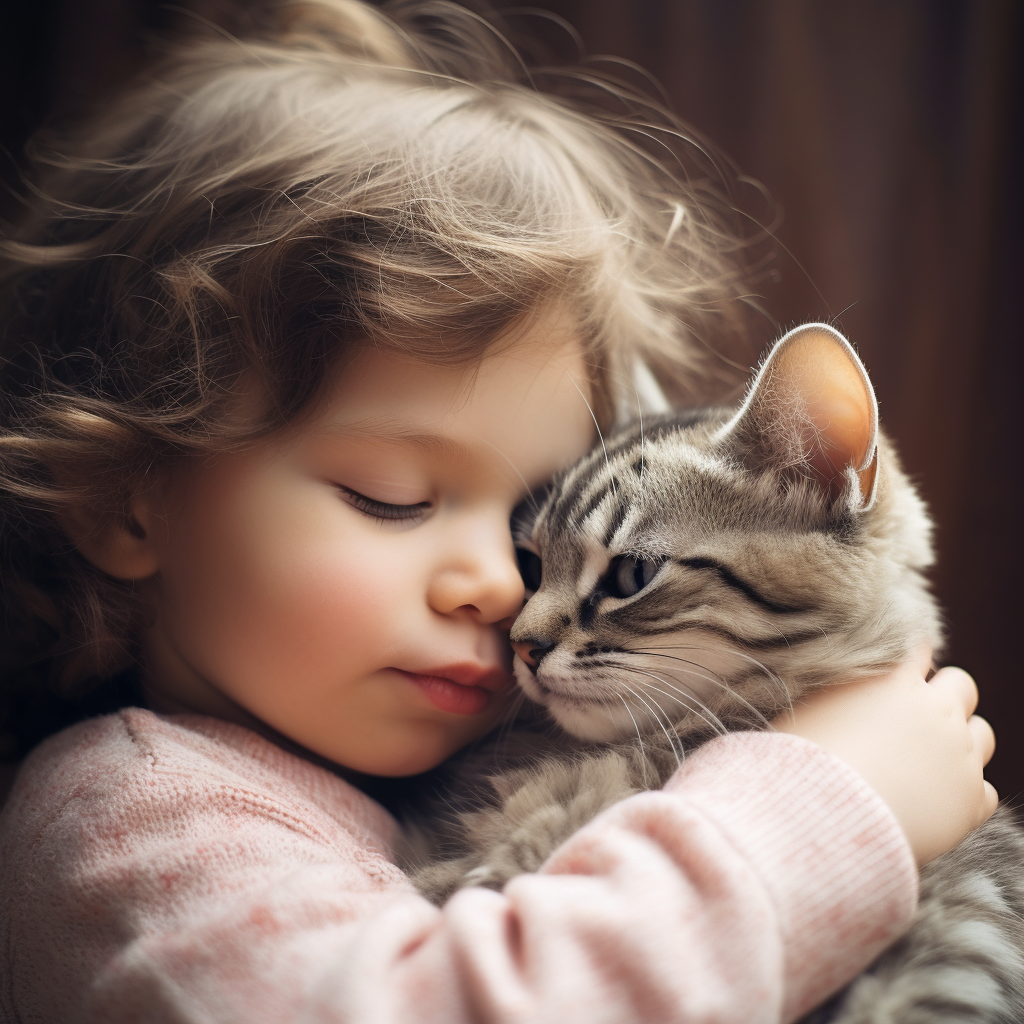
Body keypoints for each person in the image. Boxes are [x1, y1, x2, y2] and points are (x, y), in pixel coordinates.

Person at [0, 2, 996, 1021]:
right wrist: (821, 802)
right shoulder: (126, 814)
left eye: (528, 521)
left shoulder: (416, 756)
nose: (505, 597)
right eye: (392, 498)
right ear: (126, 503)